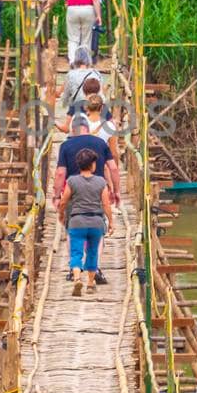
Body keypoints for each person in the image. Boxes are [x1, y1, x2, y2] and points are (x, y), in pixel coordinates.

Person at [53, 114, 119, 284]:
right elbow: (113, 168)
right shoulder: (101, 143)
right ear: (88, 129)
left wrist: (56, 195)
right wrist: (116, 190)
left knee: (71, 229)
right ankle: (95, 268)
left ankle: (73, 269)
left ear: (72, 131)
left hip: (72, 191)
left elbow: (60, 173)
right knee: (98, 231)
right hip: (97, 190)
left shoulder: (66, 145)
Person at [59, 147, 114, 298]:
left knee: (76, 252)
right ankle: (90, 284)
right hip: (96, 222)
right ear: (92, 165)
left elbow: (64, 201)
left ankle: (77, 278)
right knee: (92, 252)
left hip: (77, 221)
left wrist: (61, 215)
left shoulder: (72, 181)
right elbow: (106, 204)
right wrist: (111, 221)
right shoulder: (101, 182)